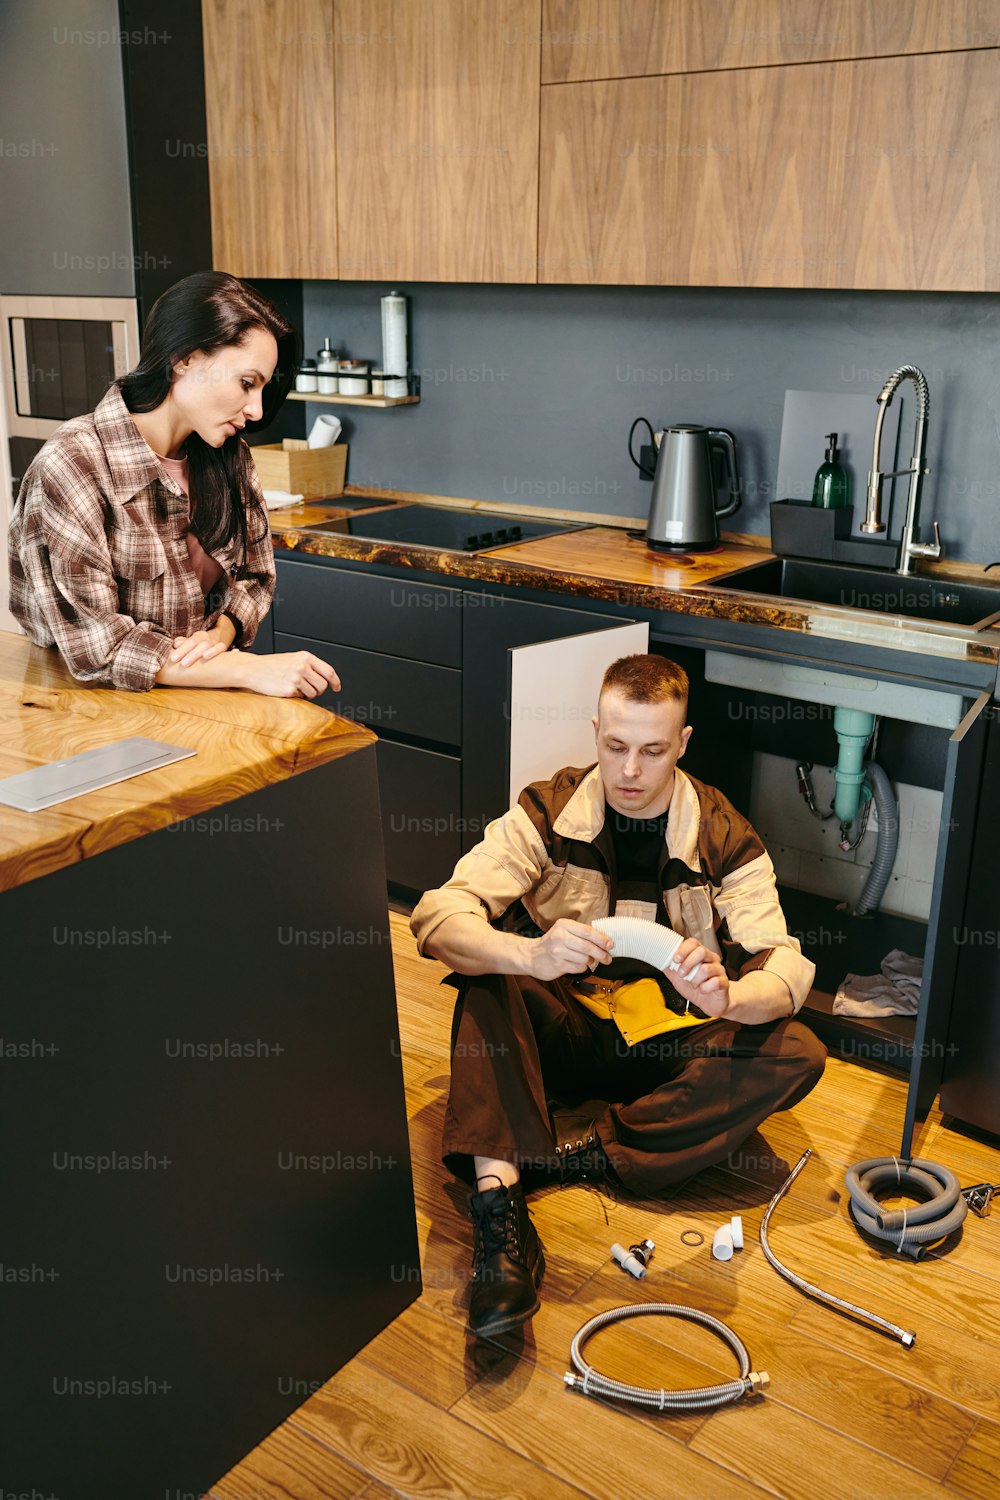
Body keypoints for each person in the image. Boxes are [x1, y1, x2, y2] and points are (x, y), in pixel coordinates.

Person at [411, 653, 826, 1339]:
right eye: (615, 746)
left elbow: (786, 965)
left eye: (653, 751)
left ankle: (590, 1153)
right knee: (484, 976)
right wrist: (531, 954)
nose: (630, 771)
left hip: (666, 1035)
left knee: (797, 1050)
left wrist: (729, 996)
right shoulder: (546, 809)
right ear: (596, 728)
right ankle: (501, 1208)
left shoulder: (725, 832)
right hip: (568, 1024)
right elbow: (438, 914)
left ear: (683, 744)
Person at [8, 271, 340, 699]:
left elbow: (256, 577)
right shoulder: (73, 464)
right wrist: (241, 666)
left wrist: (220, 635)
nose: (256, 410)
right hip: (91, 707)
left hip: (201, 696)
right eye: (246, 383)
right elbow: (98, 648)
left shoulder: (229, 458)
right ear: (185, 358)